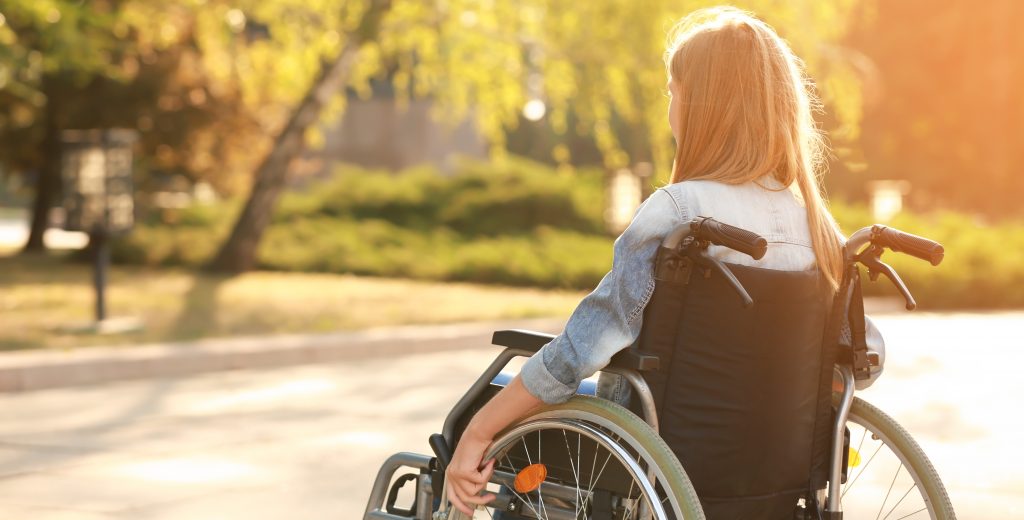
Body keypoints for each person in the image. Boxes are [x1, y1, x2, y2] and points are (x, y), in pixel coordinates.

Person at [445, 6, 851, 515]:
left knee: (472, 413)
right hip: (776, 477)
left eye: (673, 94)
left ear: (704, 108)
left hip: (657, 465)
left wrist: (481, 430)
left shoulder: (682, 214)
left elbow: (583, 347)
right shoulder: (816, 227)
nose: (670, 110)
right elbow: (854, 362)